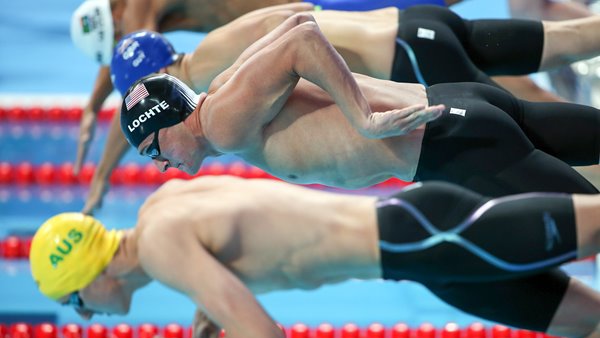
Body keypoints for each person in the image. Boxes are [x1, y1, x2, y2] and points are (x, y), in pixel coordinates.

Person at [29, 175, 600, 338]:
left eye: (73, 301)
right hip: (424, 254)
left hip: (427, 238)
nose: (81, 318)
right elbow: (262, 237)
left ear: (93, 274)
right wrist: (209, 313)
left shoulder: (158, 245)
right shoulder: (161, 210)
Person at [81, 3, 600, 213]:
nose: (163, 166)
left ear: (171, 120)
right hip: (455, 103)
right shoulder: (221, 87)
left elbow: (302, 38)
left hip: (448, 140)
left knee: (592, 226)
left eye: (155, 150)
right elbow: (293, 25)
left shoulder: (222, 120)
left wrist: (362, 118)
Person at [71, 0, 460, 186]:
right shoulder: (210, 72)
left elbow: (302, 33)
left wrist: (360, 114)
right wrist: (93, 105)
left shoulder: (209, 77)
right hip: (371, 30)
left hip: (386, 42)